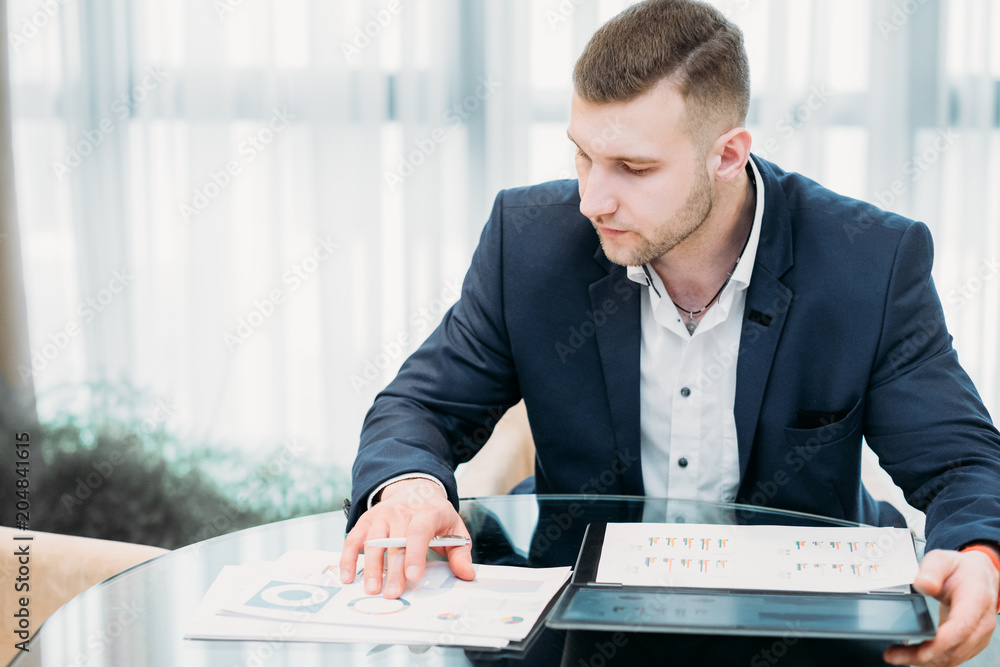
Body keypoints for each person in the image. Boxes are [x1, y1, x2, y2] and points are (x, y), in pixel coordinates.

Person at [340, 1, 1000, 664]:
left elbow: (962, 463)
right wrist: (410, 487)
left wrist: (979, 554)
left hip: (802, 628)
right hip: (579, 621)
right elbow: (421, 407)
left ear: (728, 155)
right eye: (583, 156)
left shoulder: (870, 262)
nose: (592, 200)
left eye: (634, 168)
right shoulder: (530, 242)